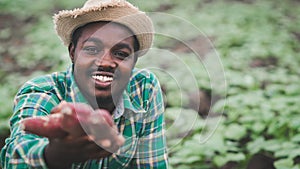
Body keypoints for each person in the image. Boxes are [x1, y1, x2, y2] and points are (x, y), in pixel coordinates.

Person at [0, 0, 169, 168]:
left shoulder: (144, 88)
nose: (105, 62)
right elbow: (16, 158)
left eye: (120, 53)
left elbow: (153, 164)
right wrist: (55, 155)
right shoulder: (43, 91)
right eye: (92, 49)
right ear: (73, 52)